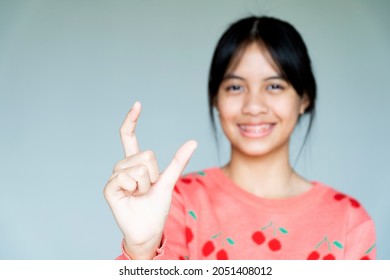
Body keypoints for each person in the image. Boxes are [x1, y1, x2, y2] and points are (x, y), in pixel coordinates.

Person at [104, 16, 376, 260]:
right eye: (235, 87)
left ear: (304, 98)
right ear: (215, 99)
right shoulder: (174, 202)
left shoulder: (349, 220)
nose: (253, 106)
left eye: (274, 86)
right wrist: (142, 253)